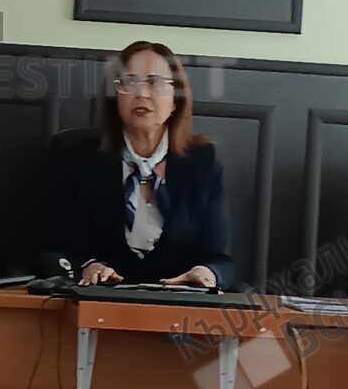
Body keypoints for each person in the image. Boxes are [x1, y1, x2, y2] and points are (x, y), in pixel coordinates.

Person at [48, 41, 234, 288]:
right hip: (97, 296)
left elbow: (219, 259)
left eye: (155, 83)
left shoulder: (202, 162)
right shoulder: (75, 155)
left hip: (177, 300)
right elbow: (51, 245)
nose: (142, 94)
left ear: (175, 100)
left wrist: (206, 274)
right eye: (129, 82)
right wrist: (87, 266)